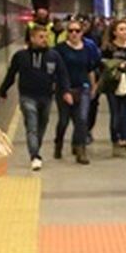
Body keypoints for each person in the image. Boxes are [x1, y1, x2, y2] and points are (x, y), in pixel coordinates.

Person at [0, 23, 68, 171]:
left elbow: (62, 74)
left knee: (41, 125)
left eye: (46, 37)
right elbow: (11, 75)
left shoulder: (53, 56)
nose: (45, 40)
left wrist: (66, 91)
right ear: (32, 38)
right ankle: (35, 155)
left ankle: (36, 149)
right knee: (32, 126)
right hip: (27, 96)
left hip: (47, 97)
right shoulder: (20, 57)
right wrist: (2, 91)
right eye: (41, 37)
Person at [53, 18, 100, 164]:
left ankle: (80, 149)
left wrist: (93, 87)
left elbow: (90, 69)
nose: (74, 33)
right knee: (64, 121)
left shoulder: (87, 49)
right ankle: (58, 142)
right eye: (71, 31)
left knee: (82, 119)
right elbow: (56, 71)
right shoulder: (59, 49)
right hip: (64, 89)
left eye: (77, 31)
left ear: (82, 33)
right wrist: (62, 89)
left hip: (83, 88)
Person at [100, 20, 126, 160]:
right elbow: (103, 65)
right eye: (121, 29)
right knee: (116, 115)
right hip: (113, 85)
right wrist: (116, 65)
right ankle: (116, 139)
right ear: (114, 32)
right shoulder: (108, 48)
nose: (125, 32)